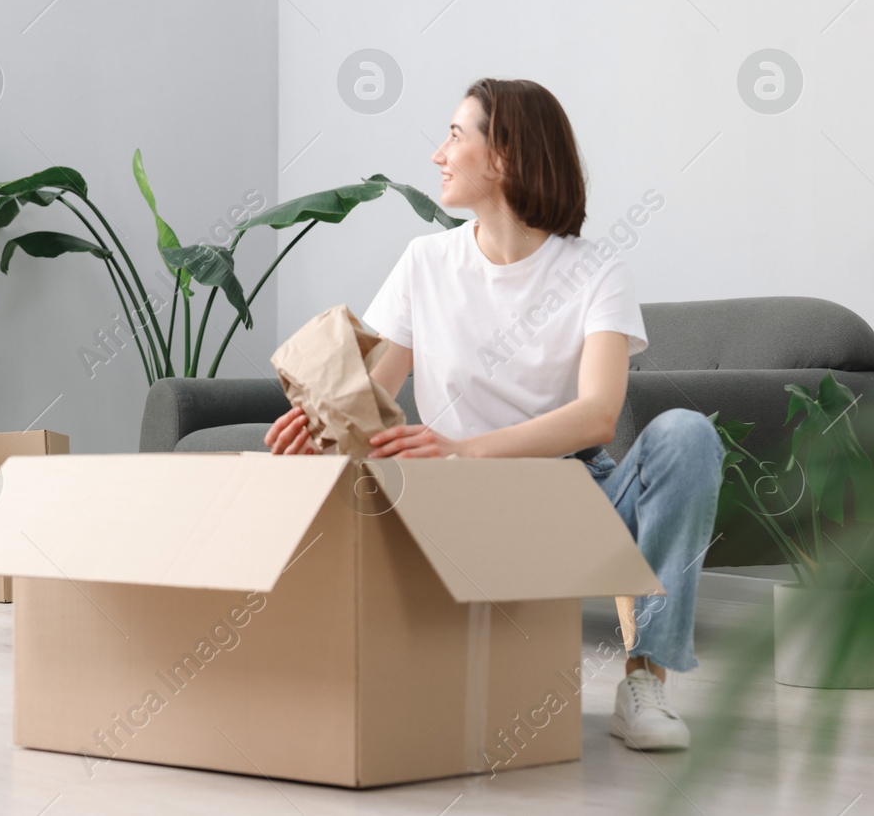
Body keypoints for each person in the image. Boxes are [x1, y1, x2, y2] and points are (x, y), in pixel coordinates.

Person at [264, 78, 723, 751]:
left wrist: (465, 448)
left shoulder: (596, 269)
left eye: (455, 134)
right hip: (451, 497)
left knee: (690, 433)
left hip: (568, 490)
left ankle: (642, 678)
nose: (437, 154)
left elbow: (599, 415)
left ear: (504, 155)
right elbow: (374, 395)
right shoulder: (426, 261)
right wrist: (321, 424)